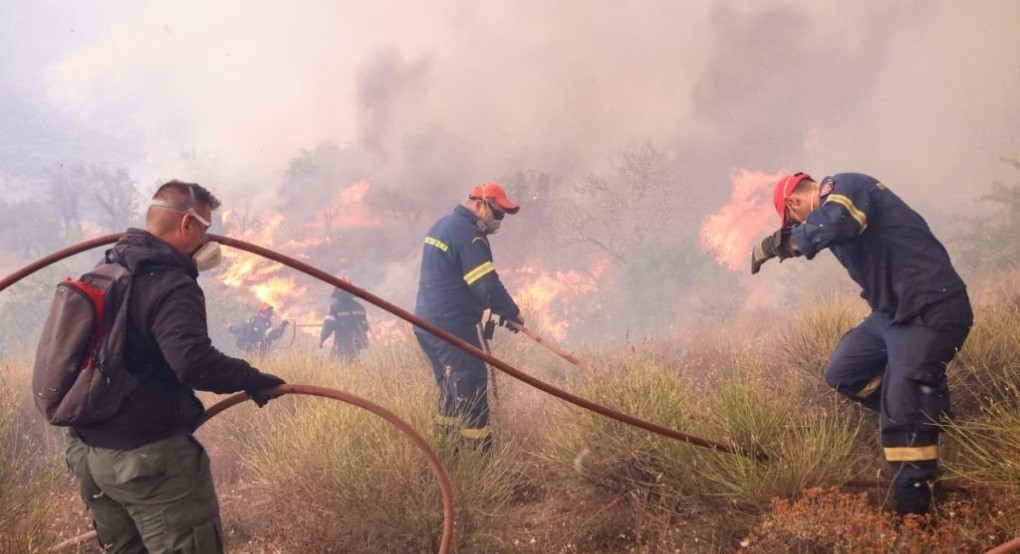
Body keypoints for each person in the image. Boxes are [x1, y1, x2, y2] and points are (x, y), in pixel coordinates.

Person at [63, 180, 286, 553]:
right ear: (187, 225)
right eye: (205, 228)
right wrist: (252, 378)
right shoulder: (171, 282)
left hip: (91, 455)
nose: (208, 240)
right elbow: (193, 361)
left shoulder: (109, 269)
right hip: (149, 462)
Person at [751, 171, 972, 517]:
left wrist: (779, 244)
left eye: (793, 220)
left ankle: (917, 519)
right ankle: (923, 407)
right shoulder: (828, 213)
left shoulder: (845, 188)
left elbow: (836, 223)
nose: (797, 227)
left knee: (901, 418)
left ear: (794, 203)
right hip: (892, 316)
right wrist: (785, 244)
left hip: (931, 309)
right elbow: (821, 230)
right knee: (844, 371)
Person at [413, 182, 524, 450]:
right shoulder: (470, 236)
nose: (499, 221)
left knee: (451, 388)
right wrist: (511, 312)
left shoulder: (441, 226)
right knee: (471, 384)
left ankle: (446, 452)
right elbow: (485, 284)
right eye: (497, 214)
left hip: (426, 324)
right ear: (479, 204)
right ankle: (478, 461)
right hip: (450, 327)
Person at [319, 285, 370, 361]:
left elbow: (328, 325)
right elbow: (365, 326)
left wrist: (322, 339)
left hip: (342, 343)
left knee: (334, 364)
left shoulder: (334, 307)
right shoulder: (360, 307)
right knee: (354, 365)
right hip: (357, 343)